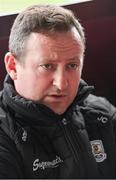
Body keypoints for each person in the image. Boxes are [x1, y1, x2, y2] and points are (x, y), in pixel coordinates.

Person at [0, 4, 116, 179]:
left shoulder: (103, 113)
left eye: (72, 65)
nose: (61, 84)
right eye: (47, 66)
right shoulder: (5, 136)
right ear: (12, 66)